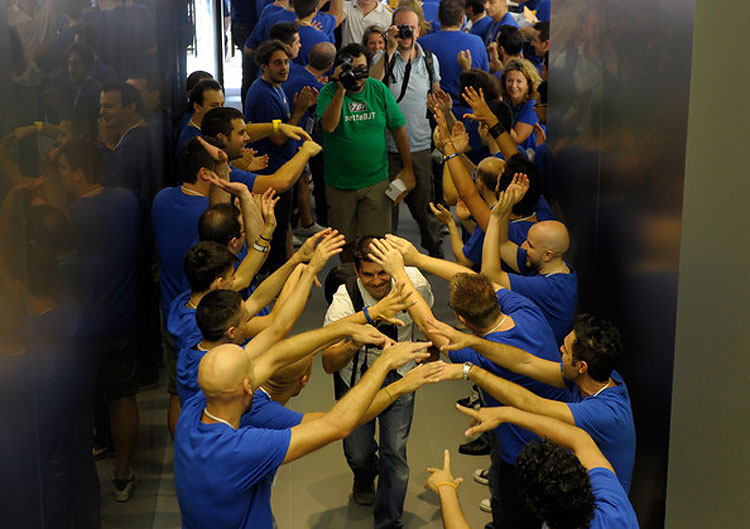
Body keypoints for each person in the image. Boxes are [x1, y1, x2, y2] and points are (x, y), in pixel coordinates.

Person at [367, 236, 567, 529]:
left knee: (512, 510)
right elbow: (474, 279)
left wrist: (399, 273)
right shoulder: (526, 310)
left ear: (460, 318)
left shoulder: (479, 351)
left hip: (522, 453)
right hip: (547, 434)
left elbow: (428, 324)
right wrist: (417, 259)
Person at [174, 323, 436, 529]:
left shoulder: (194, 409)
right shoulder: (240, 449)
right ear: (246, 386)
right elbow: (338, 425)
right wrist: (386, 364)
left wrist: (346, 328)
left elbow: (275, 356)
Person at [430, 313, 637, 493]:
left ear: (581, 366)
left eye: (565, 350)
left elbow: (531, 403)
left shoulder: (605, 413)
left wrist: (470, 371)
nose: (560, 351)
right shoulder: (595, 376)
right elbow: (525, 362)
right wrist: (473, 342)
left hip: (596, 509)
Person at [322, 236, 434, 526]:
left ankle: (388, 522)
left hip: (401, 376)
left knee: (394, 453)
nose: (376, 281)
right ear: (357, 272)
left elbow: (429, 324)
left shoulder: (415, 284)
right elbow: (328, 363)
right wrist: (356, 339)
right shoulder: (345, 300)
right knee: (358, 452)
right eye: (368, 274)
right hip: (358, 380)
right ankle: (363, 474)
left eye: (383, 272)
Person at [58, 136, 141, 502]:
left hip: (79, 328)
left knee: (80, 400)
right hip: (122, 316)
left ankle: (82, 477)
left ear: (77, 173)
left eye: (61, 169)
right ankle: (123, 476)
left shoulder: (69, 215)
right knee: (122, 398)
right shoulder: (126, 202)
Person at [456, 407, 639, 528]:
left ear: (536, 509)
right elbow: (579, 438)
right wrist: (507, 414)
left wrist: (446, 488)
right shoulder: (613, 505)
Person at [317, 43, 414, 260]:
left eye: (362, 68)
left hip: (375, 182)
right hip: (339, 185)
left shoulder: (378, 90)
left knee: (377, 246)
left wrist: (408, 169)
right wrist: (342, 88)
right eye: (352, 69)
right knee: (346, 245)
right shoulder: (329, 92)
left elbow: (398, 129)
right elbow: (329, 126)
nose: (358, 75)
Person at [371, 6, 444, 257]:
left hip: (421, 145)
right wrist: (388, 50)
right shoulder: (382, 58)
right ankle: (388, 255)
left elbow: (436, 95)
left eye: (410, 28)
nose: (405, 33)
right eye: (400, 27)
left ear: (419, 30)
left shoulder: (429, 59)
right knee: (387, 205)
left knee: (425, 206)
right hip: (387, 148)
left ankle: (434, 249)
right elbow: (371, 85)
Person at [480, 176, 577, 345]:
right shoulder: (551, 265)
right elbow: (503, 244)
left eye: (530, 245)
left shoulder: (550, 288)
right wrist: (508, 205)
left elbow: (489, 275)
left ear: (548, 254)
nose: (523, 246)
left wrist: (495, 217)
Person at [417, 0, 489, 105]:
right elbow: (485, 79)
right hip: (468, 112)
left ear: (438, 16)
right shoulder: (477, 42)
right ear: (461, 19)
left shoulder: (421, 44)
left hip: (434, 111)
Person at [499, 58, 543, 151]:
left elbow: (516, 139)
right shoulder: (510, 103)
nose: (513, 85)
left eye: (519, 81)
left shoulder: (532, 106)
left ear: (528, 84)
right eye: (510, 80)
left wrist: (498, 112)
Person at [176, 79, 225, 155]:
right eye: (214, 106)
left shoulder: (206, 130)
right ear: (197, 107)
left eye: (222, 104)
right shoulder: (193, 142)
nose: (220, 110)